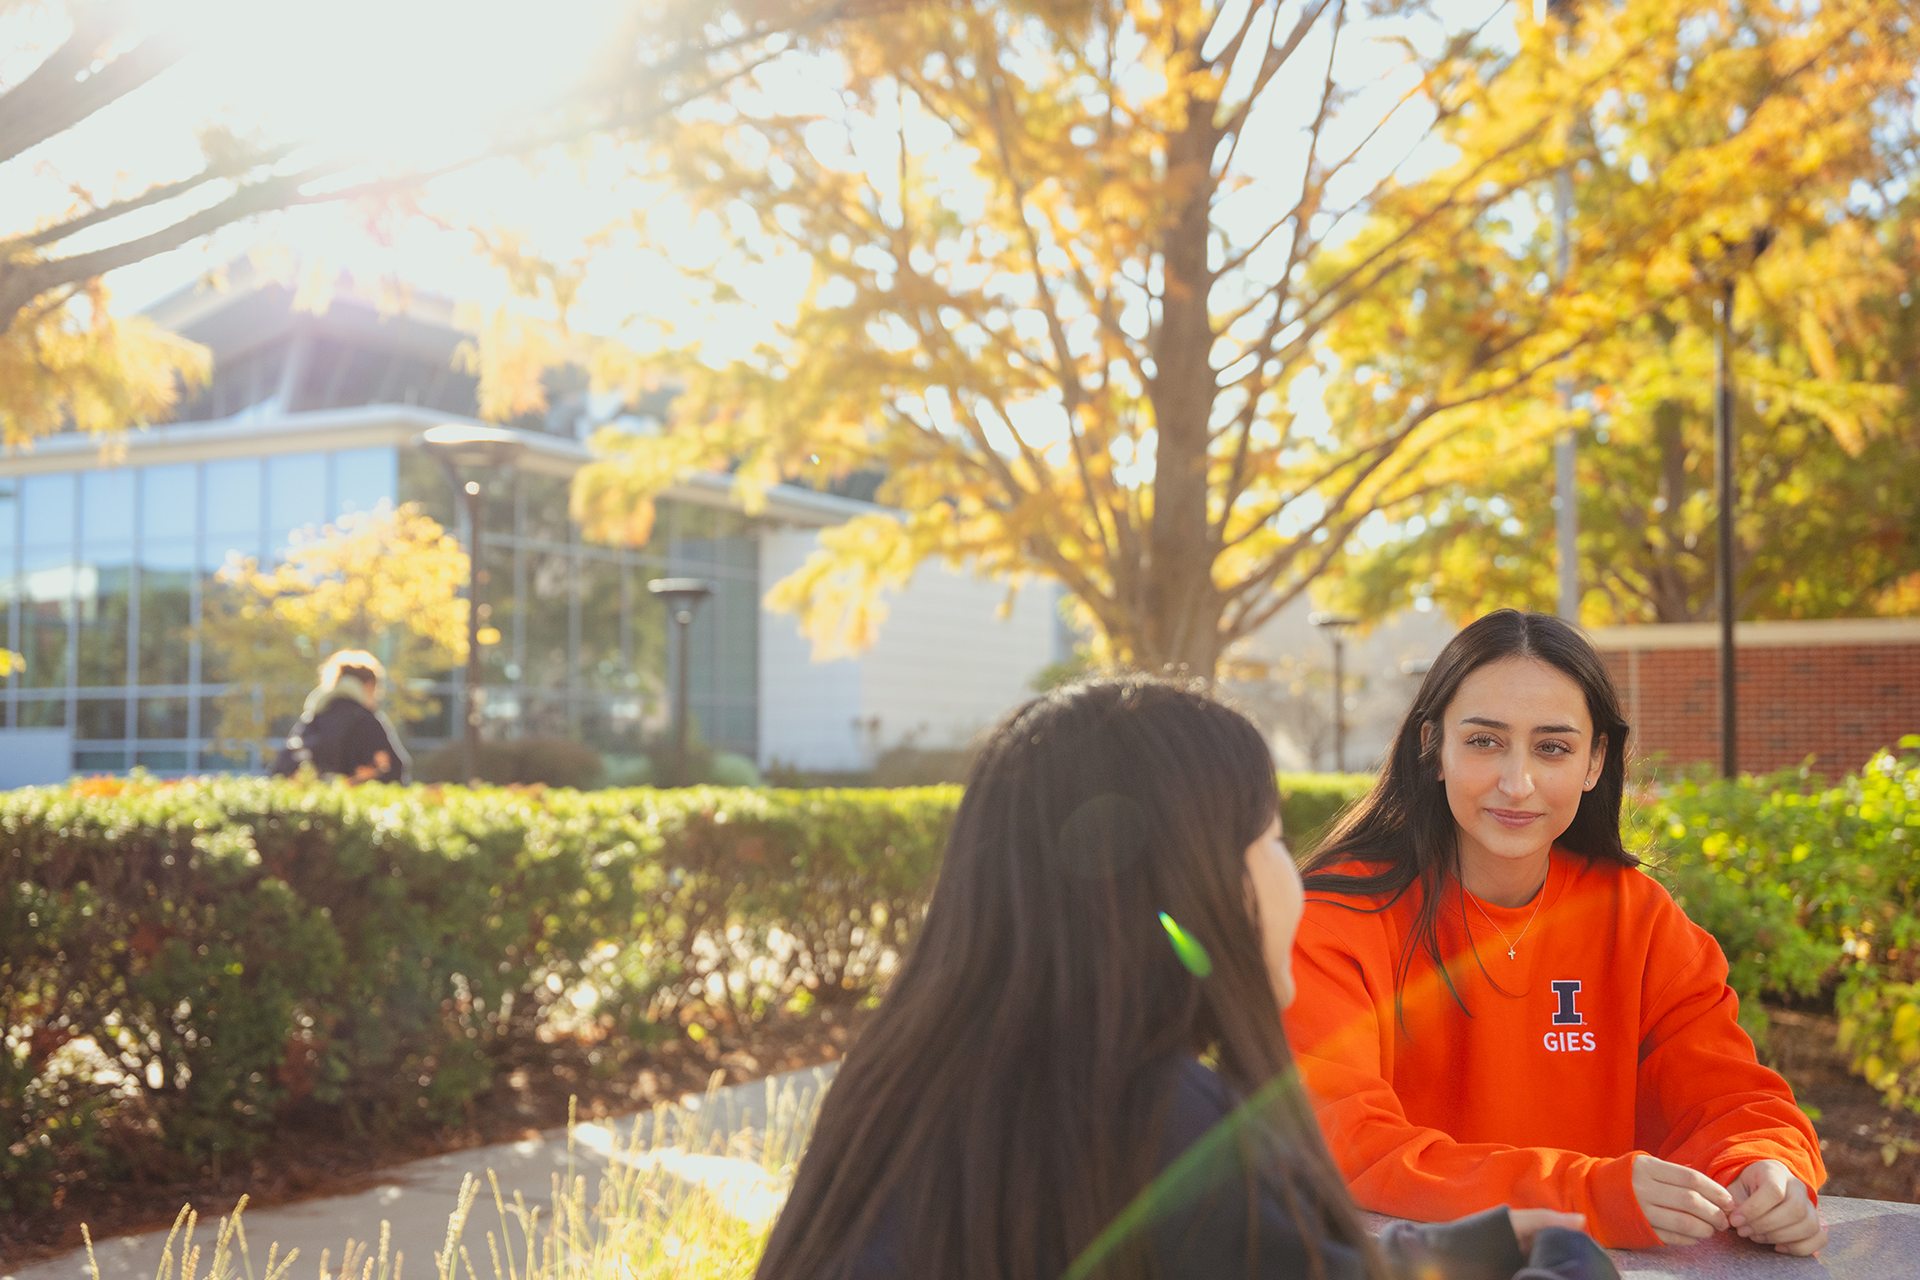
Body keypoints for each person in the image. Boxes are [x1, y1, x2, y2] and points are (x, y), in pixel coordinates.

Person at [756, 677, 1616, 1280]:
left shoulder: (922, 1081)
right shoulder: (1154, 1114)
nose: (1294, 874)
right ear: (1193, 879)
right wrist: (1576, 1261)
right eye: (1274, 836)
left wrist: (1476, 1246)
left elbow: (1237, 1257)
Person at [1284, 610, 1826, 1256]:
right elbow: (1346, 1143)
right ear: (1433, 748)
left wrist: (1765, 1169)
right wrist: (1582, 1195)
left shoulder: (1639, 918)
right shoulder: (1333, 922)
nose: (1518, 784)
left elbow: (1732, 1099)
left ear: (1596, 760)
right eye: (1485, 742)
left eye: (1553, 747)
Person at [271, 649, 410, 783]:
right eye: (377, 690)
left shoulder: (313, 718)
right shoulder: (368, 721)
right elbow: (395, 771)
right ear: (368, 686)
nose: (377, 698)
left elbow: (280, 769)